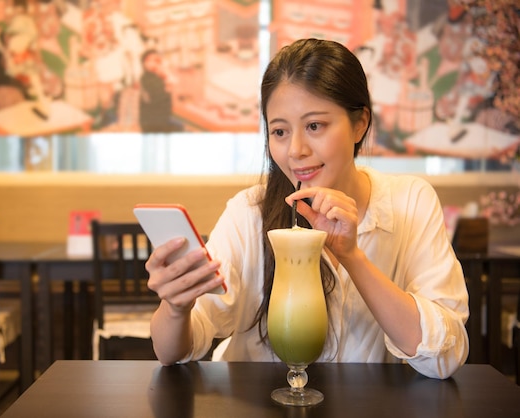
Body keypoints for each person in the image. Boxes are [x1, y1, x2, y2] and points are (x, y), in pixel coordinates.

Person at [146, 38, 469, 379]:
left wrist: (352, 256)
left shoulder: (410, 202)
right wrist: (176, 307)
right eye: (280, 131)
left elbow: (444, 358)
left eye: (315, 126)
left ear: (359, 124)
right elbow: (172, 353)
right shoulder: (248, 213)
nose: (295, 150)